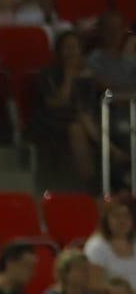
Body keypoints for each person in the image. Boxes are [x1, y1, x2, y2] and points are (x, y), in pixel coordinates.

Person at [38, 30, 104, 184]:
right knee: (76, 129)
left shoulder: (87, 74)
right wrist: (68, 75)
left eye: (75, 48)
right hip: (55, 120)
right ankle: (91, 180)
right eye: (67, 48)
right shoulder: (48, 73)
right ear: (59, 51)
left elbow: (93, 102)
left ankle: (108, 168)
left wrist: (91, 78)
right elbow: (58, 103)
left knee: (84, 123)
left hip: (85, 119)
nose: (71, 52)